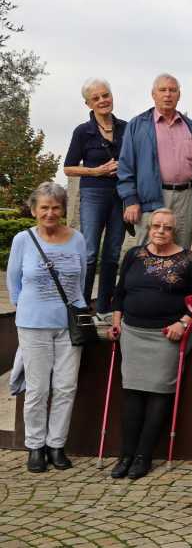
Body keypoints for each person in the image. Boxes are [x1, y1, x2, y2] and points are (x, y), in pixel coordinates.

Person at [109, 208, 192, 480]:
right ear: (149, 228)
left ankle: (143, 456)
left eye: (167, 227)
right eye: (156, 226)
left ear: (175, 231)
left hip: (166, 336)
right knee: (132, 393)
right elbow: (120, 293)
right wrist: (116, 321)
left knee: (159, 394)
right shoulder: (134, 255)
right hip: (132, 333)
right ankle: (126, 455)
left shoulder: (190, 260)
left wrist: (183, 323)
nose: (161, 231)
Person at [5, 182, 86, 472]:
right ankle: (35, 446)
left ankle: (56, 445)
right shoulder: (22, 240)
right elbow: (13, 281)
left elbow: (81, 280)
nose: (50, 213)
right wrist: (27, 308)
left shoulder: (77, 239)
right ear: (33, 210)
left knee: (65, 387)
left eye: (55, 207)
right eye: (44, 208)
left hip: (69, 325)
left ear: (63, 210)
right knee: (38, 389)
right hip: (33, 324)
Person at [118, 73, 192, 249]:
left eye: (172, 90)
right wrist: (130, 199)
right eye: (163, 90)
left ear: (179, 95)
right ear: (153, 94)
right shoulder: (137, 125)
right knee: (148, 252)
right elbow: (125, 166)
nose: (168, 94)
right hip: (151, 197)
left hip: (185, 198)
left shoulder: (191, 127)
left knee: (181, 252)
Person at [63, 78, 126, 316]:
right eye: (96, 98)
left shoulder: (126, 127)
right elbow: (68, 168)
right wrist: (96, 171)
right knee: (89, 252)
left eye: (105, 95)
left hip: (121, 195)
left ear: (112, 96)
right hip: (93, 193)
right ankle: (81, 307)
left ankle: (104, 308)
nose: (102, 100)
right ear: (88, 103)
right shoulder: (83, 131)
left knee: (112, 253)